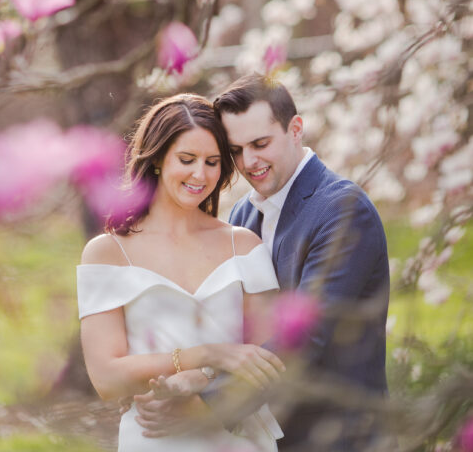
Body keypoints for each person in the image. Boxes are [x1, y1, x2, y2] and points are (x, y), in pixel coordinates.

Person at [77, 93, 286, 451]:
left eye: (212, 162)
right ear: (157, 158)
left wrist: (199, 379)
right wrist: (207, 354)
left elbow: (270, 360)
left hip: (236, 438)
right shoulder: (108, 252)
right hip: (155, 438)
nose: (199, 174)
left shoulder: (244, 247)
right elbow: (107, 379)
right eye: (186, 159)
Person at [214, 73, 390, 451]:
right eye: (236, 150)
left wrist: (205, 402)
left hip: (337, 435)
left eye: (260, 143)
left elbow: (308, 338)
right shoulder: (243, 215)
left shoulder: (342, 210)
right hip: (267, 434)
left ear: (295, 129)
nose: (249, 161)